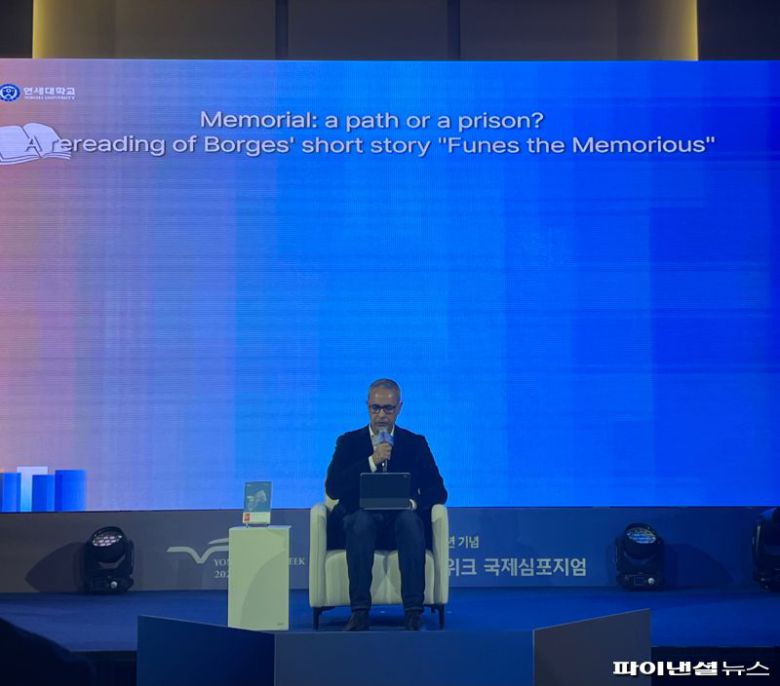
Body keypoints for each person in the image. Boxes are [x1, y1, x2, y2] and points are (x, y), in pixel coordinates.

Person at [325, 378, 447, 631]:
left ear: (399, 408)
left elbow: (437, 490)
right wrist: (372, 461)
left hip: (399, 524)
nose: (381, 415)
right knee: (360, 522)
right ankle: (359, 612)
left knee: (410, 521)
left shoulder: (415, 443)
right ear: (367, 406)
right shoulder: (349, 442)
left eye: (388, 408)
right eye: (375, 408)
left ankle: (413, 613)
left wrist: (413, 503)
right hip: (360, 523)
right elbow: (333, 488)